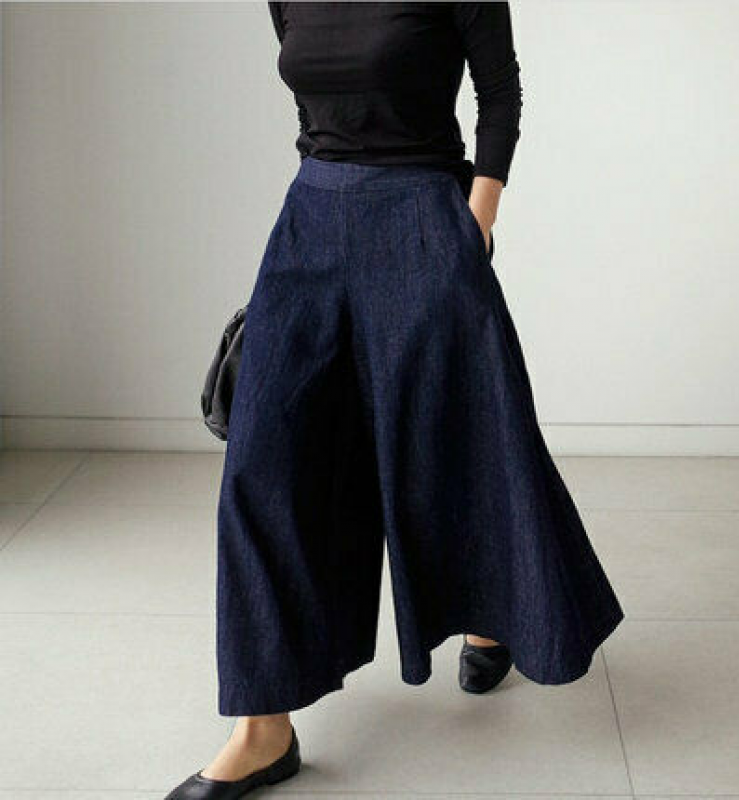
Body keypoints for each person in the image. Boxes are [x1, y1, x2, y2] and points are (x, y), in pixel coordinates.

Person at [165, 3, 623, 798]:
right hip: (311, 215)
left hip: (421, 216)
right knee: (261, 465)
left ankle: (492, 613)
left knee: (452, 441)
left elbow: (500, 94)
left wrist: (474, 224)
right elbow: (314, 107)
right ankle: (263, 729)